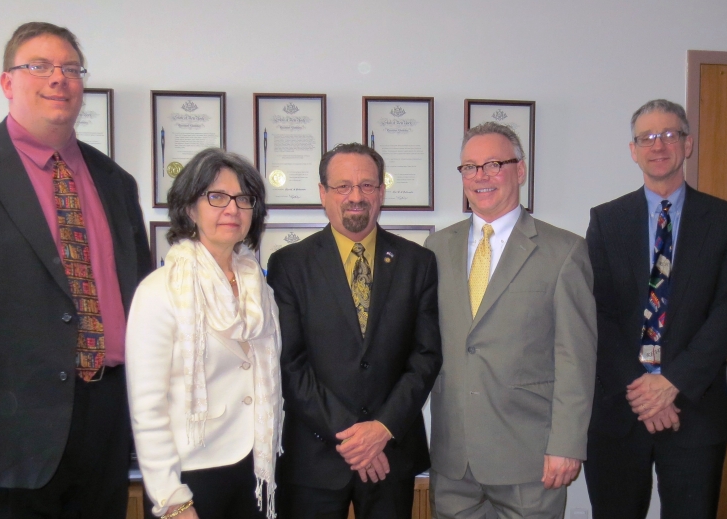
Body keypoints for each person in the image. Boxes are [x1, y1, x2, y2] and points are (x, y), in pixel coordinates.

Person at [0, 22, 151, 518]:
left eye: (70, 69)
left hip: (103, 427)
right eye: (38, 66)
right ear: (7, 82)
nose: (57, 78)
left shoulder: (116, 182)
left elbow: (141, 303)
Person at [584, 99, 727, 519]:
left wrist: (672, 382)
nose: (658, 145)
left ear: (688, 143)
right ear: (633, 149)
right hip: (620, 410)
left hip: (694, 410)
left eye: (669, 134)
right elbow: (595, 311)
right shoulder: (606, 220)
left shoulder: (726, 220)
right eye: (647, 137)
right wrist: (642, 389)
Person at [424, 121, 597, 518]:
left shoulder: (564, 251)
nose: (480, 176)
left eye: (493, 164)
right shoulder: (436, 248)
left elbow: (576, 358)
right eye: (470, 167)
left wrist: (567, 444)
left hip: (530, 459)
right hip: (454, 459)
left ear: (520, 170)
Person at [265, 143, 441, 519]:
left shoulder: (418, 262)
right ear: (322, 194)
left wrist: (381, 429)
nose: (356, 196)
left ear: (381, 192)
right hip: (314, 458)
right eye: (343, 186)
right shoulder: (288, 264)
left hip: (390, 454)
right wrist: (356, 437)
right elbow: (290, 364)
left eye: (367, 185)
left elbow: (426, 357)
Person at [126, 149, 283, 519]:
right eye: (216, 197)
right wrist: (172, 499)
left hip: (257, 472)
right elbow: (147, 407)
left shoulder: (260, 290)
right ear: (189, 208)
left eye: (244, 199)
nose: (232, 209)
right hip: (191, 478)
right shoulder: (160, 290)